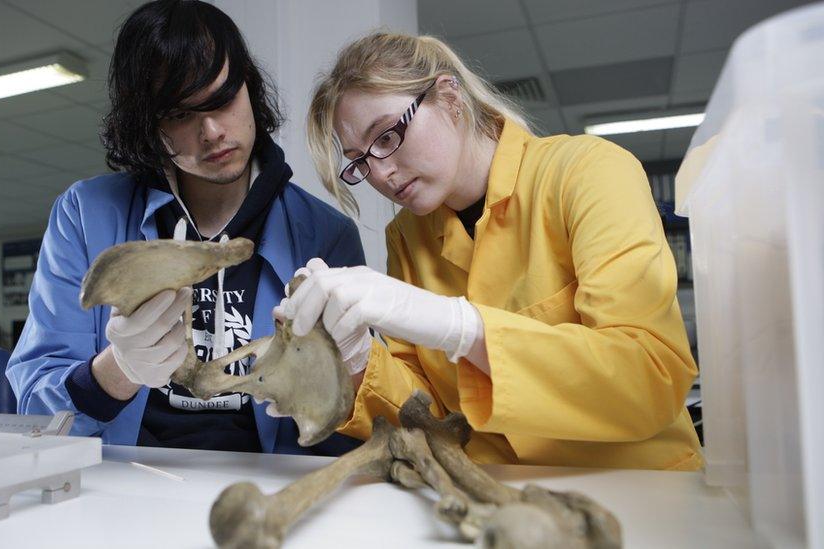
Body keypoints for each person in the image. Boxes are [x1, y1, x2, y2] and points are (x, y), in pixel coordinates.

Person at [277, 32, 703, 470]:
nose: (381, 173)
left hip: (642, 489)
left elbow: (649, 377)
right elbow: (430, 423)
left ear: (449, 96)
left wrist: (462, 328)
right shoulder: (406, 236)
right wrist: (355, 360)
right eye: (360, 161)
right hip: (501, 496)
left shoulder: (588, 172)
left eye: (385, 136)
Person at [7, 0, 364, 456]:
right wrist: (117, 371)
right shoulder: (84, 214)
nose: (212, 131)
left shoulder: (326, 233)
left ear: (249, 89)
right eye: (180, 115)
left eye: (222, 100)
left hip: (264, 486)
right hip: (123, 483)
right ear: (148, 127)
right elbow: (35, 416)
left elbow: (341, 430)